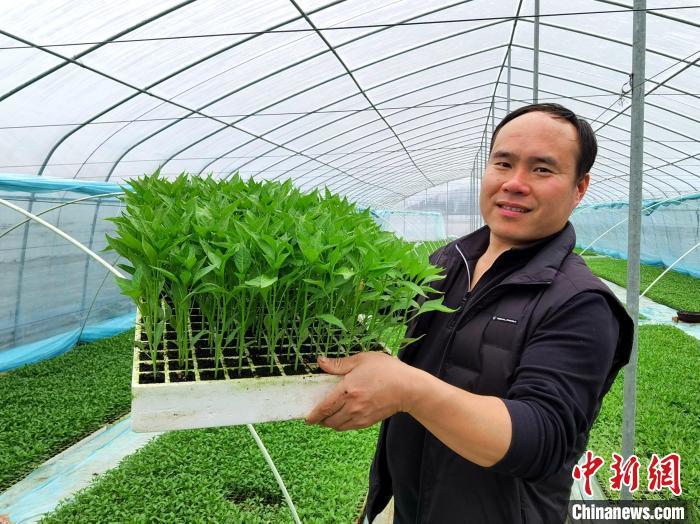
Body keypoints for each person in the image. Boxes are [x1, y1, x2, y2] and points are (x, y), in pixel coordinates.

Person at [306, 103, 633, 523]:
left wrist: (408, 389)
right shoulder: (449, 260)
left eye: (541, 169)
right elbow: (390, 303)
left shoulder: (580, 302)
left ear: (579, 188)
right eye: (503, 163)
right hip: (413, 506)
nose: (514, 183)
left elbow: (543, 439)